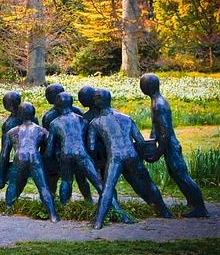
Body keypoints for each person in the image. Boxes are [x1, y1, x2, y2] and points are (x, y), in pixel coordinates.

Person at [45, 93, 136, 224]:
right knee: (100, 185)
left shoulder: (54, 123)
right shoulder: (82, 120)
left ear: (57, 106)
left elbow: (49, 149)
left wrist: (50, 159)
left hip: (66, 154)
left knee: (66, 181)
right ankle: (120, 213)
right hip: (82, 153)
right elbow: (89, 142)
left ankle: (65, 209)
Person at [88, 89, 172, 229]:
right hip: (132, 155)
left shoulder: (95, 123)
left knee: (108, 188)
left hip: (115, 157)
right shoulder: (126, 118)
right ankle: (164, 211)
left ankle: (98, 222)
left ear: (97, 102)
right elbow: (140, 141)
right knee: (149, 183)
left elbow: (91, 148)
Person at [140, 73, 209, 218]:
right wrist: (151, 141)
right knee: (175, 174)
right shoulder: (154, 102)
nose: (141, 87)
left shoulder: (160, 104)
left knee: (182, 175)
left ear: (149, 86)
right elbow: (155, 126)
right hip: (167, 146)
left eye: (142, 84)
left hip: (171, 146)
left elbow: (165, 134)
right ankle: (192, 202)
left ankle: (201, 208)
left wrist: (157, 153)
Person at [0, 102, 60, 222]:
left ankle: (8, 209)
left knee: (13, 184)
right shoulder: (42, 131)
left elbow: (4, 155)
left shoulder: (12, 132)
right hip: (35, 157)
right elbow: (51, 150)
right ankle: (53, 215)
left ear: (19, 115)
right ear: (33, 114)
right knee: (43, 186)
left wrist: (1, 175)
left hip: (19, 157)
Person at [42, 84, 92, 202]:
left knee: (62, 179)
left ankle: (57, 202)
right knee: (80, 178)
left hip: (61, 153)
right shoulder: (77, 112)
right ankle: (88, 200)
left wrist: (48, 156)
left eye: (48, 95)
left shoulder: (49, 117)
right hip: (79, 150)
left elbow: (48, 140)